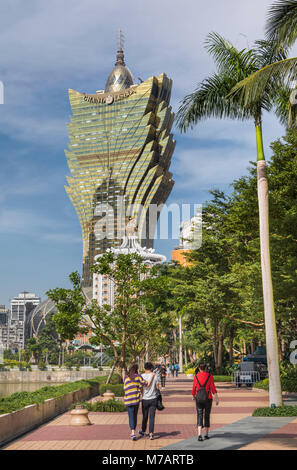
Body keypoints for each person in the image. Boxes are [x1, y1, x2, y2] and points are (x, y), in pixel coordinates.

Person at [124, 363, 155, 440]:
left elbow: (125, 388)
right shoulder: (138, 377)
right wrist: (152, 376)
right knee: (134, 416)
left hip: (128, 400)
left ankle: (133, 432)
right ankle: (134, 432)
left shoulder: (125, 377)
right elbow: (146, 384)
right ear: (136, 369)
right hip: (135, 400)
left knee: (131, 416)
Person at [192, 362, 219, 441]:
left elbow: (194, 389)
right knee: (207, 415)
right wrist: (216, 398)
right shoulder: (210, 376)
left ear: (199, 368)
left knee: (199, 415)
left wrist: (193, 396)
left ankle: (199, 435)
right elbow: (213, 388)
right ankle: (206, 434)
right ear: (206, 368)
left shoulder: (196, 377)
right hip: (208, 398)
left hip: (199, 398)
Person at [139, 362, 160, 440]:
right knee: (152, 417)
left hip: (145, 399)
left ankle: (143, 431)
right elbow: (157, 387)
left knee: (145, 416)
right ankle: (151, 433)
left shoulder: (141, 376)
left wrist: (142, 394)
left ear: (144, 368)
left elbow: (141, 387)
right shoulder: (155, 375)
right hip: (153, 398)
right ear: (151, 368)